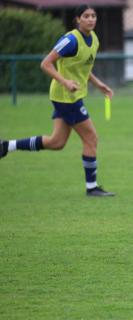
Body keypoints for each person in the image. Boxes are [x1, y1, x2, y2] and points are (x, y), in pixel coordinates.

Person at [0, 4, 114, 197]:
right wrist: (64, 81)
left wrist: (98, 84)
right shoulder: (71, 40)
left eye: (93, 15)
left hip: (71, 96)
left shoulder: (93, 39)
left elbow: (82, 69)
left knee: (57, 142)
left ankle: (6, 146)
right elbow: (45, 63)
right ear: (77, 19)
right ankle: (92, 187)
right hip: (66, 98)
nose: (91, 19)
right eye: (86, 16)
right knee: (91, 138)